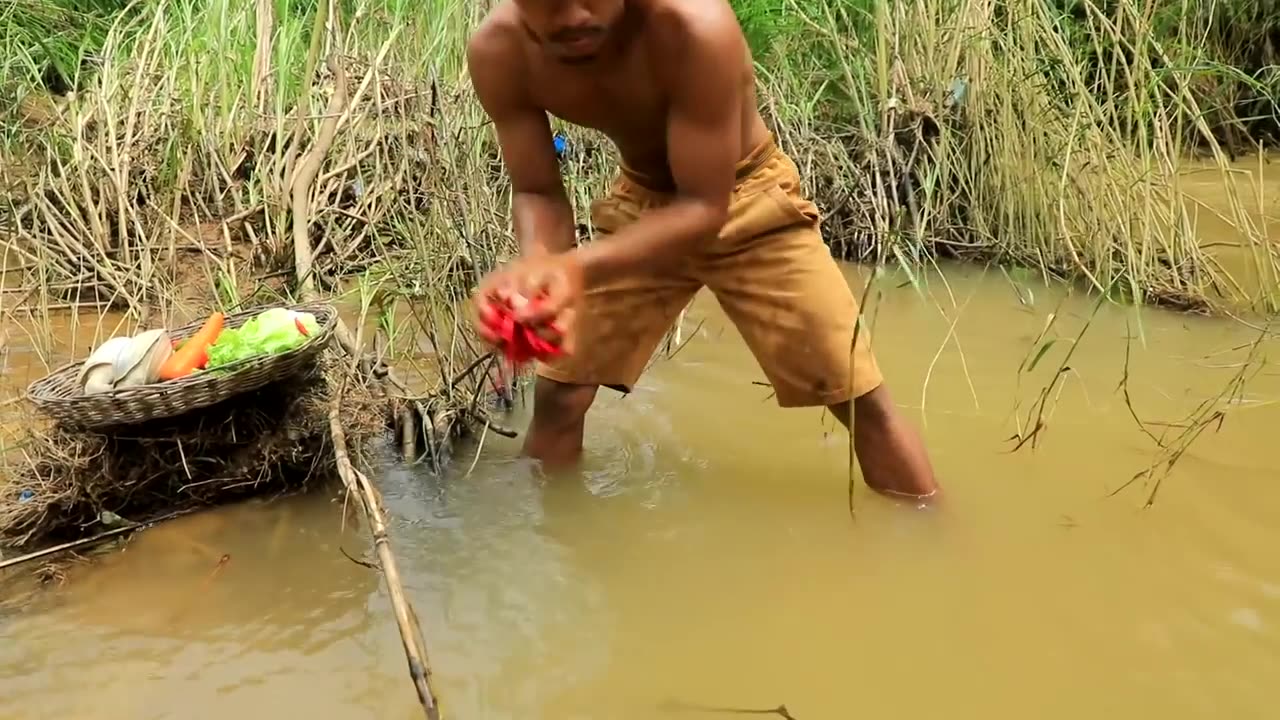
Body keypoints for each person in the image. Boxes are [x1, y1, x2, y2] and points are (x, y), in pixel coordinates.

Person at [466, 0, 939, 499]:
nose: (574, 17)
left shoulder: (694, 25)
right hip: (644, 200)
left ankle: (934, 542)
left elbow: (703, 209)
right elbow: (538, 192)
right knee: (560, 397)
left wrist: (572, 269)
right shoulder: (499, 52)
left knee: (857, 397)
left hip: (746, 196)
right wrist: (538, 270)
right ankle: (542, 548)